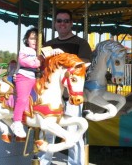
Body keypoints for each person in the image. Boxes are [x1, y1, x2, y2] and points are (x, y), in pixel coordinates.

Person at [41, 9, 92, 165]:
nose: (62, 24)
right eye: (59, 21)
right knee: (48, 130)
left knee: (73, 130)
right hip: (51, 95)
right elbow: (41, 67)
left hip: (70, 95)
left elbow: (85, 64)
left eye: (66, 21)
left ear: (71, 23)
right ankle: (45, 161)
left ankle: (75, 163)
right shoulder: (48, 45)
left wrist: (63, 56)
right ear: (55, 24)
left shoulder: (81, 43)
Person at [11, 27, 62, 138]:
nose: (34, 41)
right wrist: (40, 58)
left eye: (37, 39)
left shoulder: (44, 50)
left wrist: (57, 52)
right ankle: (17, 122)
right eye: (32, 38)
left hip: (38, 78)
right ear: (27, 40)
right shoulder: (25, 50)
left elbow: (50, 63)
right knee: (23, 98)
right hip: (24, 76)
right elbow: (27, 62)